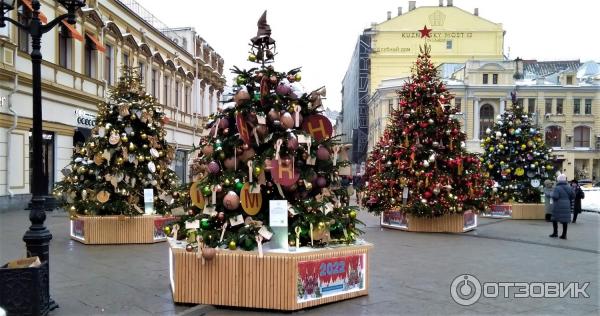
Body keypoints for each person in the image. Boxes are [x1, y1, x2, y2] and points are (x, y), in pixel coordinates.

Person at [550, 174, 573, 239]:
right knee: (565, 220)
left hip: (558, 205)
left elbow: (555, 196)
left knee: (554, 219)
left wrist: (551, 194)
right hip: (567, 205)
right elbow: (573, 195)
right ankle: (564, 234)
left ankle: (555, 233)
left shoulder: (557, 188)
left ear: (558, 180)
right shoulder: (569, 187)